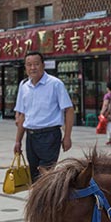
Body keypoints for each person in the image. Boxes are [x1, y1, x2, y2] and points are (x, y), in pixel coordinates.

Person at [13, 51, 73, 182]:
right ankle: (38, 195)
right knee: (34, 174)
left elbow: (68, 110)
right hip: (31, 136)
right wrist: (18, 141)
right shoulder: (24, 86)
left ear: (43, 65)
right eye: (29, 65)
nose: (32, 68)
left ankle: (49, 195)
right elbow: (22, 115)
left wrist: (67, 136)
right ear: (25, 67)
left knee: (45, 173)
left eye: (36, 64)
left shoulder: (55, 84)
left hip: (49, 135)